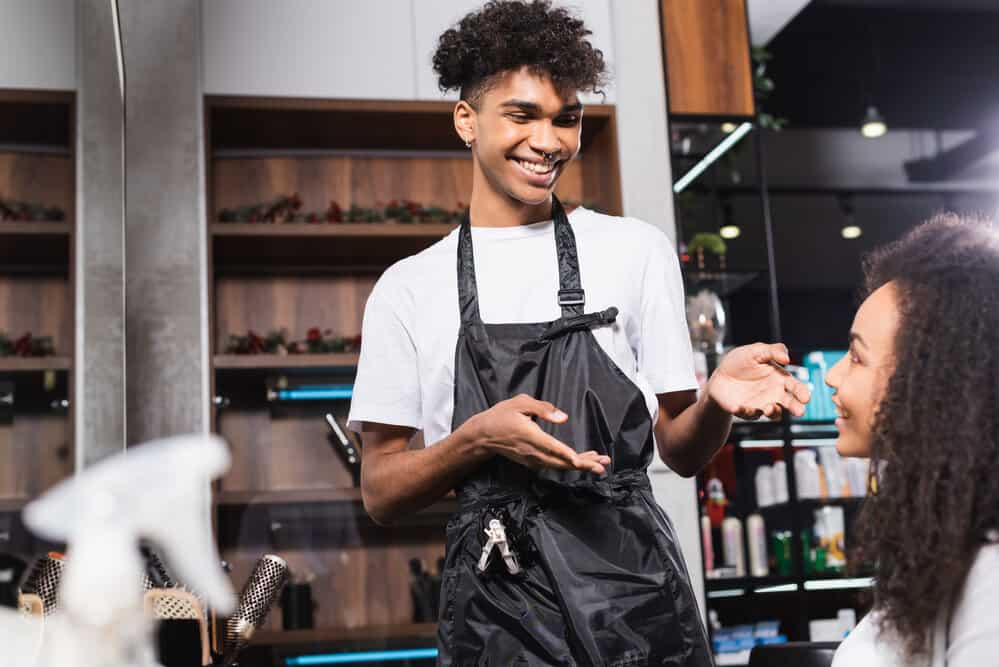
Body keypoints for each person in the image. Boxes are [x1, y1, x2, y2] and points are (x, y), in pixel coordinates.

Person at [346, 1, 809, 664]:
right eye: (522, 114)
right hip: (496, 605)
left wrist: (713, 401)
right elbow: (381, 490)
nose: (550, 140)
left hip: (634, 597)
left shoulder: (634, 251)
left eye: (567, 117)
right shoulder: (409, 286)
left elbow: (678, 450)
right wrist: (477, 438)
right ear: (466, 121)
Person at [828, 215, 999, 666]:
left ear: (927, 384)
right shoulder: (937, 543)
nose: (832, 375)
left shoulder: (991, 578)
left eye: (855, 357)